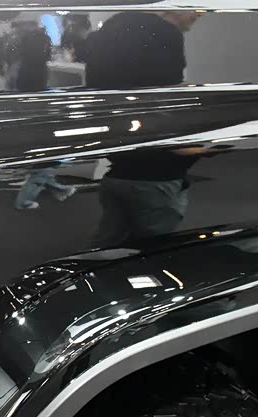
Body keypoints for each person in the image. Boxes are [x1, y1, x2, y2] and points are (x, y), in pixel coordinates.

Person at [85, 12, 202, 246]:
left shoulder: (115, 29)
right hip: (155, 175)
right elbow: (164, 109)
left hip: (119, 167)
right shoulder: (163, 36)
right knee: (152, 245)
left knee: (111, 239)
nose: (199, 12)